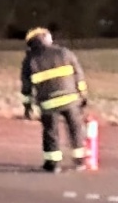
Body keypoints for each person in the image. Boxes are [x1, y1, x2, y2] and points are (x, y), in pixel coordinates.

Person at [20, 27, 89, 173]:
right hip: (71, 101)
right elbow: (79, 75)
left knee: (51, 133)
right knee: (75, 130)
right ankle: (80, 161)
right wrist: (83, 95)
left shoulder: (30, 60)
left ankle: (53, 164)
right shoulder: (64, 53)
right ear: (46, 38)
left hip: (48, 104)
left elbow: (26, 87)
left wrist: (27, 106)